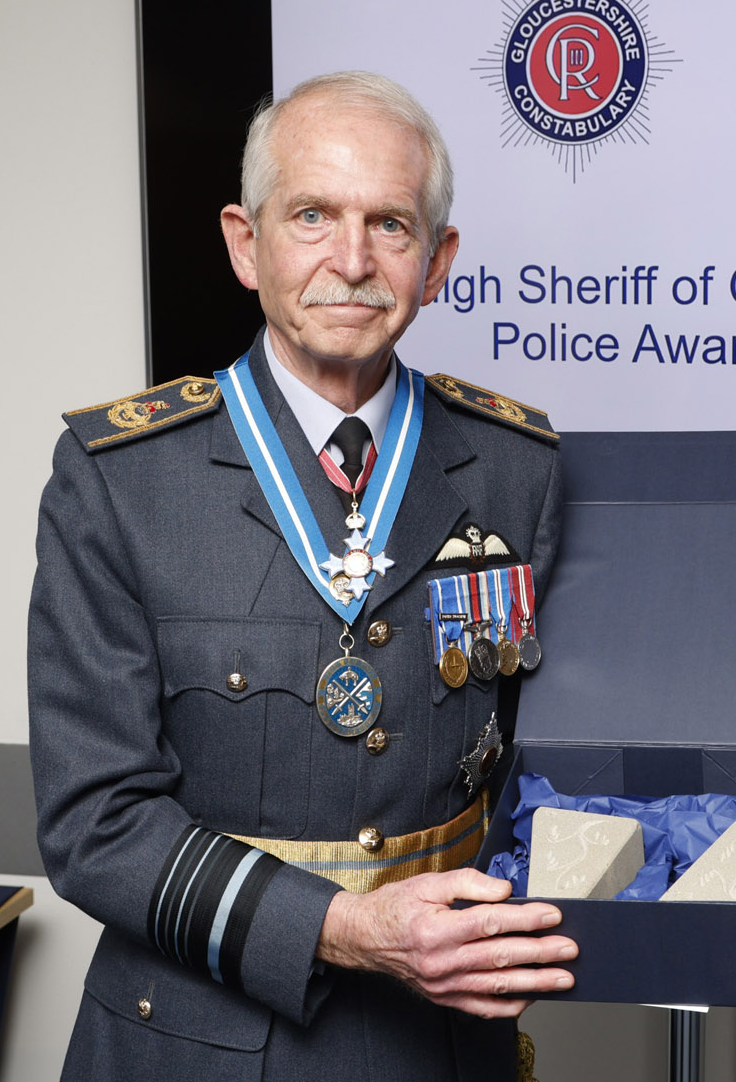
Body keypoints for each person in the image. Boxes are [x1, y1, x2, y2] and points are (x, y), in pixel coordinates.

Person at [29, 71, 574, 1081]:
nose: (352, 261)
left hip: (438, 1040)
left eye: (392, 225)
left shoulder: (516, 468)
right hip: (194, 1039)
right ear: (246, 242)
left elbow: (559, 760)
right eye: (313, 215)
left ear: (439, 259)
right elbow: (94, 821)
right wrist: (350, 929)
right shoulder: (125, 481)